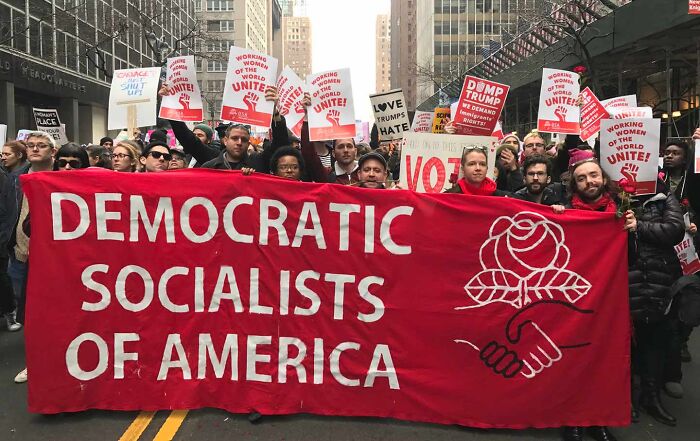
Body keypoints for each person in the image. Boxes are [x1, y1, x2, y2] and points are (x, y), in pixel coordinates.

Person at [1, 131, 57, 384]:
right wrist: (7, 240)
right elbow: (8, 210)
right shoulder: (15, 178)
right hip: (21, 252)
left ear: (52, 151)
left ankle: (54, 360)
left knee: (52, 310)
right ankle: (35, 362)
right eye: (31, 145)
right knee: (29, 312)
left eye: (41, 145)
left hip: (54, 256)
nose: (35, 149)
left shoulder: (62, 178)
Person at [444, 146, 510, 197]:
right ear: (463, 169)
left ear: (487, 169)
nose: (478, 168)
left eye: (482, 164)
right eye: (472, 164)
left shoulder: (501, 197)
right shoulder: (449, 197)